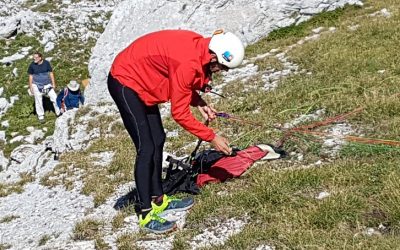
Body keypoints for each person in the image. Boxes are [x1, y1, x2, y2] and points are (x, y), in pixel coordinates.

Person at [108, 29, 245, 233]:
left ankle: (159, 199)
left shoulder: (200, 48)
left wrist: (199, 102)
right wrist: (211, 137)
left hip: (144, 81)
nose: (222, 72)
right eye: (222, 67)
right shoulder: (188, 63)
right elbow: (179, 113)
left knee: (158, 138)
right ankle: (145, 213)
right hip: (125, 81)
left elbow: (178, 80)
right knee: (146, 147)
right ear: (214, 56)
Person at [27, 52, 60, 122]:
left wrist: (53, 84)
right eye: (34, 57)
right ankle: (41, 116)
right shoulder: (32, 65)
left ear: (40, 58)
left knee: (55, 97)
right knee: (38, 100)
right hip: (36, 85)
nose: (34, 59)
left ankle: (58, 112)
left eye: (36, 57)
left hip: (47, 84)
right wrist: (31, 87)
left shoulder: (46, 63)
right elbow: (30, 76)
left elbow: (51, 73)